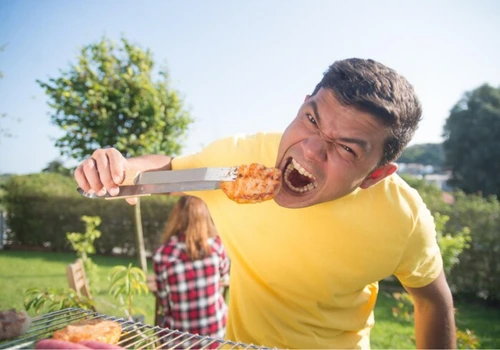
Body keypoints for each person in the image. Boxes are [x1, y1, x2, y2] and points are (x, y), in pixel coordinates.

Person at [74, 58, 457, 349]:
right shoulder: (241, 158)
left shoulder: (402, 216)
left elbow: (433, 301)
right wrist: (122, 168)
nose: (310, 149)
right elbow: (168, 170)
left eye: (344, 148)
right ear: (303, 104)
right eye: (311, 119)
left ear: (375, 175)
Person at [152, 195, 230, 345]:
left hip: (181, 338)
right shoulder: (217, 246)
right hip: (216, 333)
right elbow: (224, 274)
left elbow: (164, 300)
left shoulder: (163, 254)